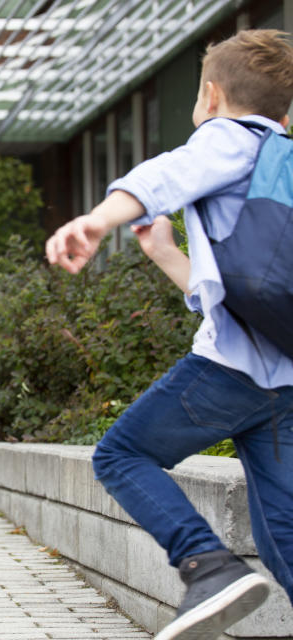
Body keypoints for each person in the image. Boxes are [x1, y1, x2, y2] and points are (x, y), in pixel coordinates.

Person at [46, 30, 293, 640]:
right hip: (282, 380)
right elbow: (247, 290)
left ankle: (207, 566)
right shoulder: (280, 158)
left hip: (230, 372)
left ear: (211, 94)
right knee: (281, 526)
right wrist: (164, 256)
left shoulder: (228, 137)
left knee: (122, 454)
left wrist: (98, 219)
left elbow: (167, 173)